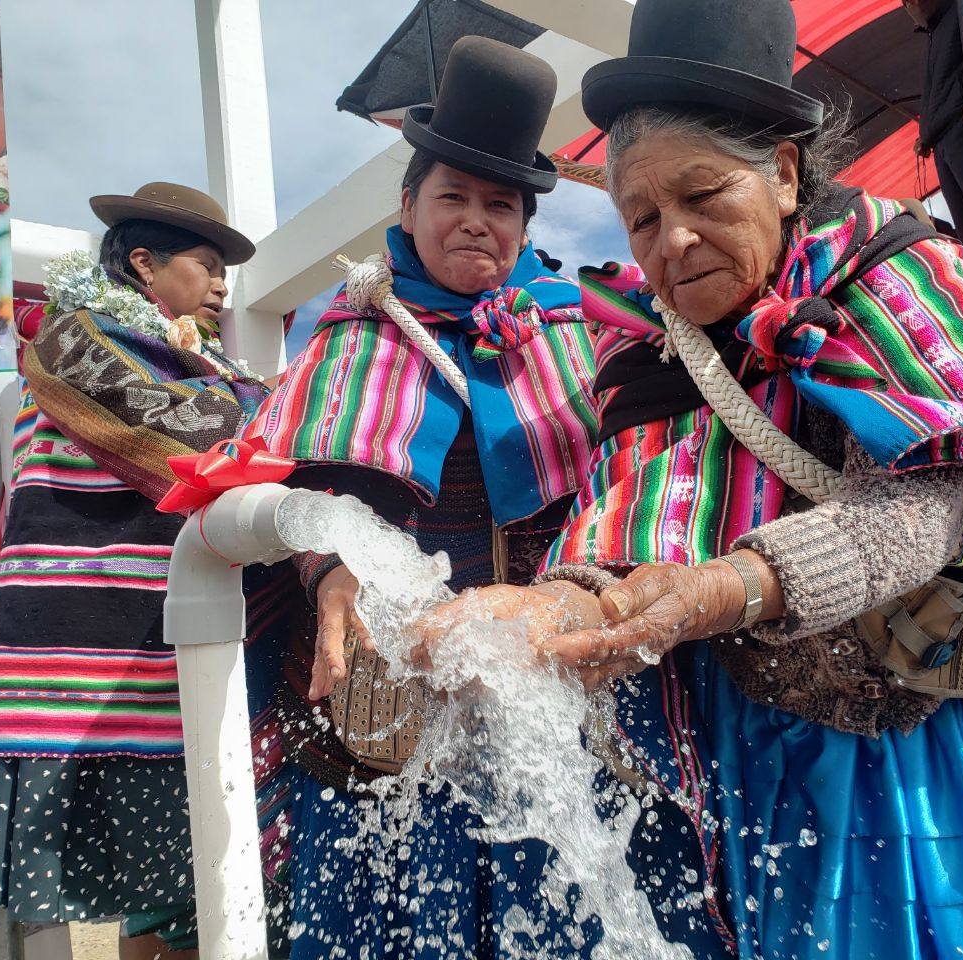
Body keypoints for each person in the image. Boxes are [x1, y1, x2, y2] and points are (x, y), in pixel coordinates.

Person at [414, 2, 963, 957]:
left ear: (785, 175)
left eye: (703, 196)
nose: (671, 241)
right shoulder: (646, 360)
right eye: (642, 218)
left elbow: (919, 507)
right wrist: (562, 604)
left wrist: (721, 587)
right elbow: (634, 527)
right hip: (781, 743)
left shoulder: (902, 275)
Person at [245, 36, 716, 959]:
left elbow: (649, 471)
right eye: (451, 196)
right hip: (397, 702)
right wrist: (332, 570)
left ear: (525, 221)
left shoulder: (587, 330)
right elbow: (292, 482)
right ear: (407, 204)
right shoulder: (345, 337)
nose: (475, 220)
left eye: (498, 204)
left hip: (559, 683)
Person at [0, 183, 266, 959]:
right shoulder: (76, 343)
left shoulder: (184, 359)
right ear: (143, 262)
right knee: (170, 897)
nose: (223, 285)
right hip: (81, 652)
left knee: (176, 907)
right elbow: (210, 433)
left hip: (146, 642)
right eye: (207, 265)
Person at [904, 0, 963, 254]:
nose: (910, 6)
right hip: (940, 141)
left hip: (961, 128)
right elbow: (939, 90)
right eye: (905, 3)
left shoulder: (961, 11)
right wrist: (925, 135)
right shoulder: (934, 33)